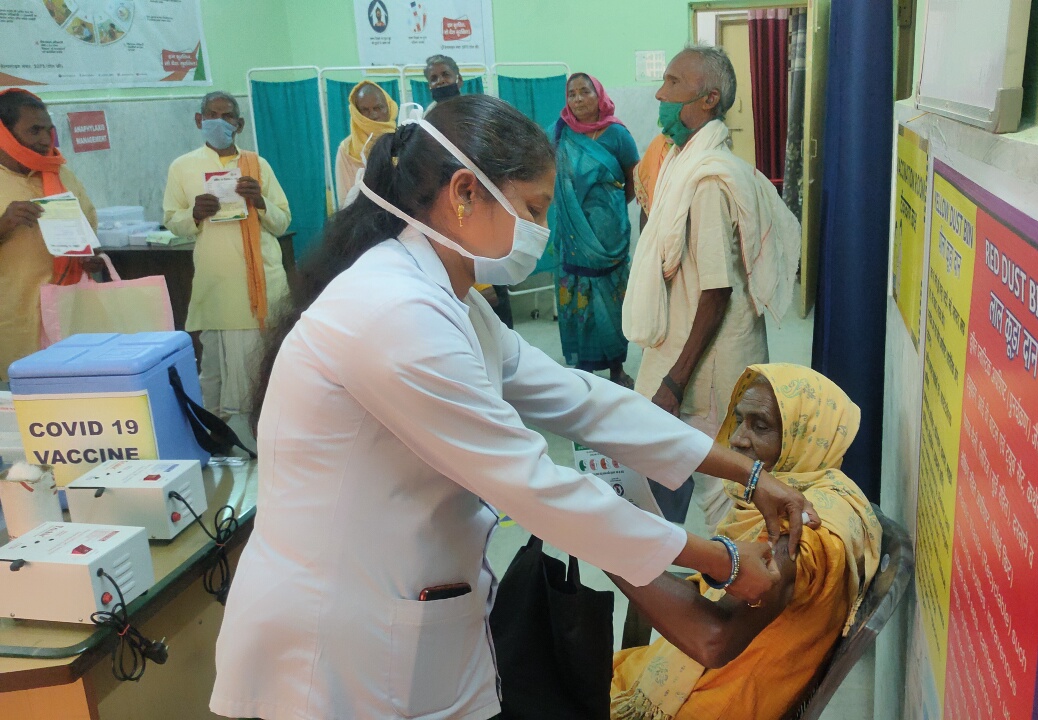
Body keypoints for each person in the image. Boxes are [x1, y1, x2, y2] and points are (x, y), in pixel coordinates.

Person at [209, 95, 820, 720]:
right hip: (336, 642)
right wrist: (720, 559)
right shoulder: (394, 314)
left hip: (408, 618)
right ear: (465, 193)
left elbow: (583, 401)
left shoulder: (450, 301)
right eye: (533, 210)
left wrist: (745, 473)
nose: (542, 234)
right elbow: (534, 486)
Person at [611, 364, 883, 720]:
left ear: (808, 435)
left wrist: (607, 546)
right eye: (739, 420)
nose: (738, 438)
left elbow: (715, 637)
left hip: (712, 704)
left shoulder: (805, 531)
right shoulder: (809, 493)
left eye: (761, 426)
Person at [624, 46, 802, 527]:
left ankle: (738, 589)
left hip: (705, 369)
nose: (660, 94)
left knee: (721, 495)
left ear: (709, 98)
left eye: (673, 83)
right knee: (684, 488)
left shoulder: (707, 181)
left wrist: (674, 382)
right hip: (688, 354)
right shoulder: (685, 164)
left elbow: (716, 292)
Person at [163, 91, 291, 421]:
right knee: (213, 370)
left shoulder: (256, 165)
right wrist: (194, 214)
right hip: (215, 285)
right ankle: (217, 435)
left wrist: (259, 201)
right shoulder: (182, 167)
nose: (219, 121)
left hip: (260, 284)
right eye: (211, 114)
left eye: (228, 115)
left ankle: (257, 433)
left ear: (240, 124)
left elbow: (283, 221)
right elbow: (172, 222)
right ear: (198, 120)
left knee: (258, 367)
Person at [0, 89, 99, 381]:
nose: (46, 141)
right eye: (34, 131)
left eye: (49, 130)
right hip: (15, 322)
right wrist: (4, 224)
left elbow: (90, 231)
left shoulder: (61, 175)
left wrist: (91, 259)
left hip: (70, 316)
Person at [548, 73, 639, 388]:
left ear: (598, 94)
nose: (577, 99)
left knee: (611, 301)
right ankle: (582, 369)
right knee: (576, 297)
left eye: (584, 92)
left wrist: (607, 212)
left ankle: (617, 368)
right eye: (571, 94)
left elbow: (633, 179)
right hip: (572, 234)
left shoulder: (617, 134)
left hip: (609, 235)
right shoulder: (561, 133)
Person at [424, 54, 513, 328]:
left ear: (459, 79)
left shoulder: (478, 113)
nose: (441, 82)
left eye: (445, 76)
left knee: (492, 285)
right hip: (451, 212)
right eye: (434, 78)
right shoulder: (427, 121)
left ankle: (505, 341)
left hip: (484, 204)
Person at [335, 81, 398, 208]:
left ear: (389, 107)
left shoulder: (404, 140)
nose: (373, 115)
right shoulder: (347, 149)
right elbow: (345, 199)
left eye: (378, 108)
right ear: (357, 114)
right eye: (365, 110)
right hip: (363, 220)